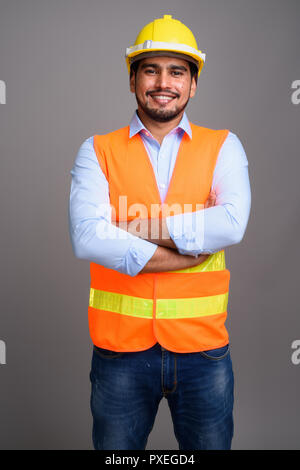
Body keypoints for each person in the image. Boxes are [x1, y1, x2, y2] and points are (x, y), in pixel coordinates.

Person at [68, 14, 251, 450]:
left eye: (177, 71)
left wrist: (132, 227)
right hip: (120, 354)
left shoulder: (223, 145)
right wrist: (186, 250)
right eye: (150, 69)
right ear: (133, 80)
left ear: (193, 84)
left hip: (203, 351)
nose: (163, 82)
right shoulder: (98, 150)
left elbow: (231, 224)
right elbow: (87, 237)